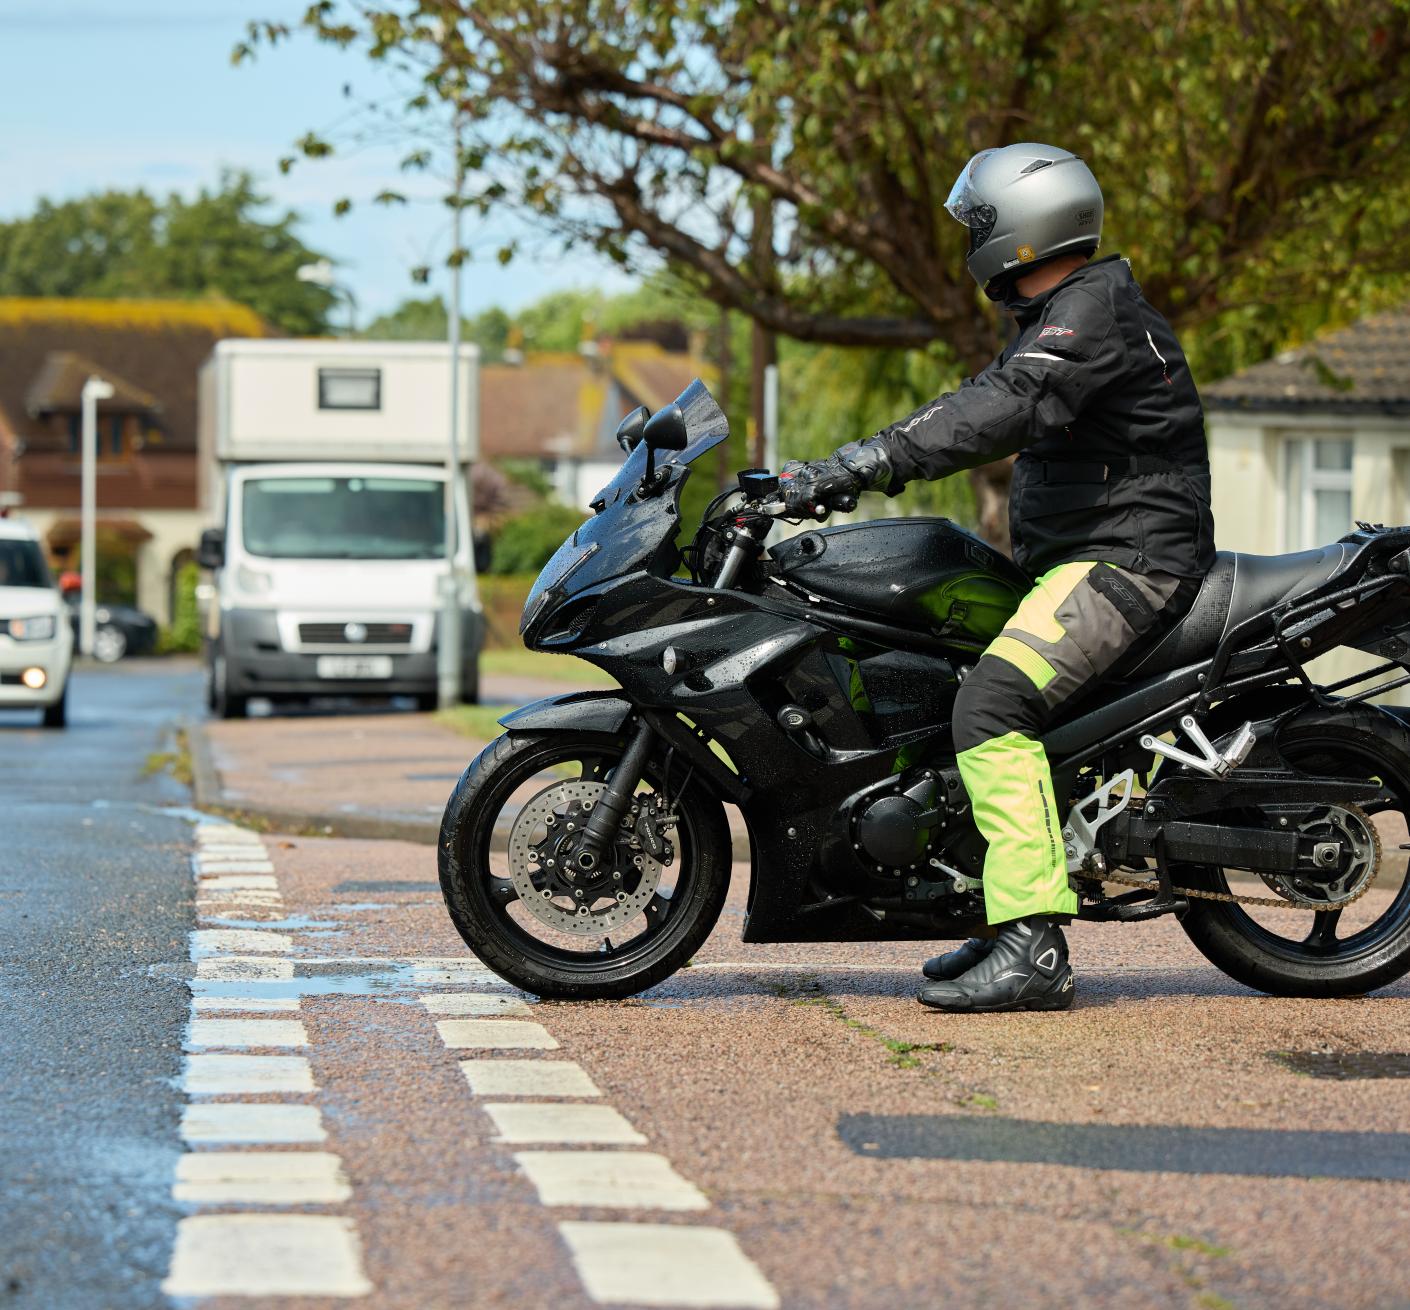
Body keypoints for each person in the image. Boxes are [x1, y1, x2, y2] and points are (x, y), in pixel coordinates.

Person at [779, 143, 1215, 1013]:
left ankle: (1033, 946)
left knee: (992, 705)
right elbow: (997, 395)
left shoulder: (1090, 311)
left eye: (976, 223)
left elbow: (1003, 406)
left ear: (1019, 227)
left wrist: (866, 460)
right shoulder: (1072, 310)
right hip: (1090, 557)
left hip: (1130, 563)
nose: (968, 238)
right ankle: (993, 907)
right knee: (949, 687)